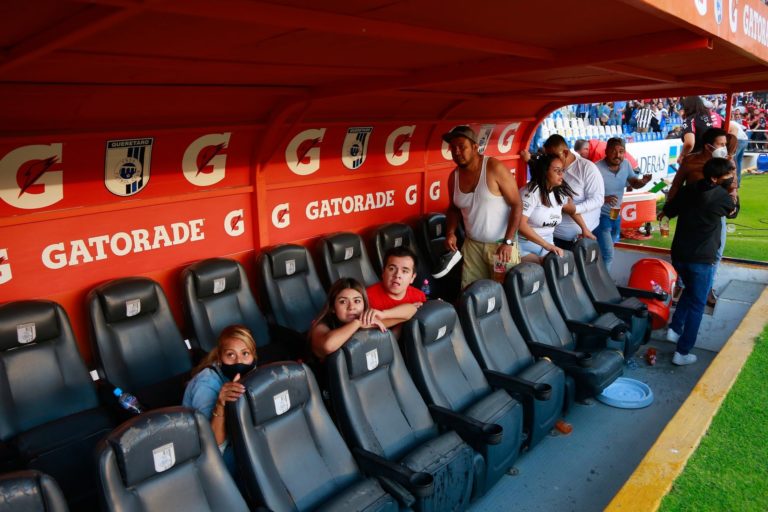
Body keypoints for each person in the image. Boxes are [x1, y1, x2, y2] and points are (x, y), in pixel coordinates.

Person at [662, 158, 735, 365]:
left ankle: (675, 328)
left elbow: (669, 210)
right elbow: (733, 212)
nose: (731, 179)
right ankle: (682, 352)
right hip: (701, 259)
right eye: (728, 176)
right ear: (715, 178)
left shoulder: (688, 189)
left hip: (680, 255)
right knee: (698, 304)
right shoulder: (721, 196)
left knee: (691, 291)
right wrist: (733, 193)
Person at [445, 125, 522, 289]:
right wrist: (450, 232)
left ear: (475, 147)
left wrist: (508, 242)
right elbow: (453, 208)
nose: (456, 152)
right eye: (453, 148)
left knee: (503, 291)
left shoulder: (494, 167)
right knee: (471, 292)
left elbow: (517, 204)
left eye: (462, 147)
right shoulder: (453, 177)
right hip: (472, 246)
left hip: (501, 246)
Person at [182, 324, 257, 475]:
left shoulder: (252, 373)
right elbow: (213, 447)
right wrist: (220, 405)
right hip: (206, 454)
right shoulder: (205, 384)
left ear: (254, 357)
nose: (239, 361)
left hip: (238, 436)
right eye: (230, 355)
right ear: (220, 358)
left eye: (245, 353)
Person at [518, 153, 595, 263]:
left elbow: (571, 210)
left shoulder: (558, 192)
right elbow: (520, 224)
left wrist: (584, 229)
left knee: (559, 266)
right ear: (545, 172)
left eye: (562, 170)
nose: (561, 174)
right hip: (524, 246)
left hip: (547, 244)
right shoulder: (531, 192)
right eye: (556, 170)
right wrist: (547, 246)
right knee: (544, 267)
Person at [595, 138, 651, 269]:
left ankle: (595, 274)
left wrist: (643, 182)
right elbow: (587, 193)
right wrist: (603, 199)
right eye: (614, 151)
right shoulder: (596, 168)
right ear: (606, 151)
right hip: (599, 217)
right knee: (608, 254)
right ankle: (604, 281)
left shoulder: (626, 164)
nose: (618, 155)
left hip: (615, 215)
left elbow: (634, 182)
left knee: (608, 249)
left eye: (621, 152)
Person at [543, 134, 605, 251]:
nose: (550, 160)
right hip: (552, 237)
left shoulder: (587, 168)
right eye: (547, 156)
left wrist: (575, 209)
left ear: (565, 153)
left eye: (554, 156)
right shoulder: (548, 169)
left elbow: (598, 199)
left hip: (582, 238)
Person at [309, 278, 386, 361]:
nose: (351, 307)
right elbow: (328, 345)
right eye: (343, 302)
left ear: (364, 304)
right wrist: (357, 323)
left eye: (357, 301)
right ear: (332, 307)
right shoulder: (320, 325)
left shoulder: (366, 321)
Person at [366, 246, 425, 337]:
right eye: (392, 269)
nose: (397, 275)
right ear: (383, 272)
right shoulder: (366, 298)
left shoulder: (418, 296)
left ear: (412, 277)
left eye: (404, 271)